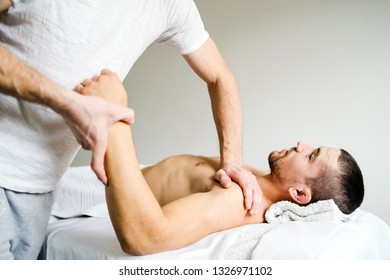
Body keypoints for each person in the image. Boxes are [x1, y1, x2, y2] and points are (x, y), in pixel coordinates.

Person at [0, 0, 260, 259]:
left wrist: (233, 163)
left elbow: (219, 77)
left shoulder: (172, 5)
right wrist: (66, 102)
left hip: (41, 190)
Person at [75, 70, 365, 255]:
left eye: (311, 155)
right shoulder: (254, 180)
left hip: (106, 193)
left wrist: (113, 116)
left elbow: (143, 238)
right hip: (109, 182)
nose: (303, 144)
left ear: (300, 194)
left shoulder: (239, 199)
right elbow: (219, 76)